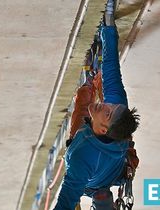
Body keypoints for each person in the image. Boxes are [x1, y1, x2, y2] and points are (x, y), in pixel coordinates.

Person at [54, 0, 140, 209]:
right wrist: (108, 24)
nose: (107, 105)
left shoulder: (81, 158)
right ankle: (91, 81)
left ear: (103, 128)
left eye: (109, 112)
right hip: (101, 169)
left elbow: (66, 200)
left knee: (83, 109)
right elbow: (112, 67)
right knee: (92, 101)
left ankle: (89, 83)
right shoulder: (117, 108)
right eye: (112, 108)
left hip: (94, 169)